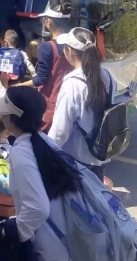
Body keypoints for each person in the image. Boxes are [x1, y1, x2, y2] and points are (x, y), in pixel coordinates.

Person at [0, 86, 76, 260]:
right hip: (62, 240)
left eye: (5, 112)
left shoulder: (20, 153)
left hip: (46, 248)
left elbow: (38, 208)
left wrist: (12, 232)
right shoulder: (44, 140)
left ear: (12, 118)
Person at [48, 27, 115, 183]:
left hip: (75, 161)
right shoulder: (107, 76)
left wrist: (47, 153)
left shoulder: (72, 83)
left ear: (69, 52)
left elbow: (60, 131)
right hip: (99, 157)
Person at [13, 5, 73, 133]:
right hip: (71, 101)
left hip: (51, 102)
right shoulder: (75, 44)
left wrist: (17, 86)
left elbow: (41, 79)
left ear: (49, 22)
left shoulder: (47, 47)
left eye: (44, 20)